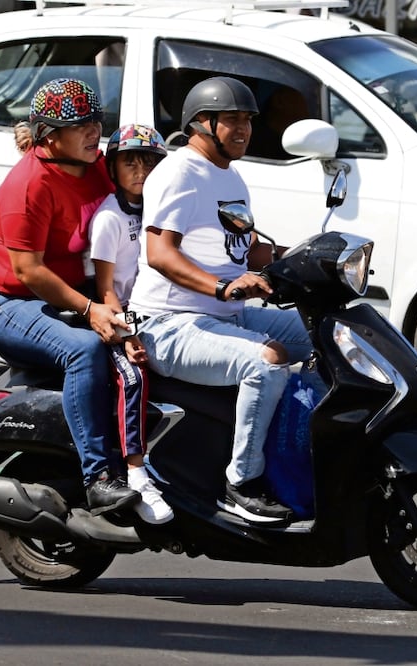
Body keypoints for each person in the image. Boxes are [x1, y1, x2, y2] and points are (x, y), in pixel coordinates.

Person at [130, 76, 313, 524]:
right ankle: (241, 482)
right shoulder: (179, 173)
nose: (243, 129)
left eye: (247, 120)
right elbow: (159, 253)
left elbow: (244, 250)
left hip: (224, 314)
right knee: (267, 361)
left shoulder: (230, 176)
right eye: (231, 120)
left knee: (321, 334)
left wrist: (307, 259)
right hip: (168, 324)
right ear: (201, 123)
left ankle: (298, 449)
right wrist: (220, 287)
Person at [0, 78, 140, 516]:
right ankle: (100, 477)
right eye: (80, 125)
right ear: (50, 135)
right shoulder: (27, 185)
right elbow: (28, 271)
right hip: (8, 302)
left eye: (96, 121)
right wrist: (89, 309)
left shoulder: (98, 166)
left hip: (75, 294)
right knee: (85, 351)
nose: (93, 132)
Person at [85, 123, 173, 524]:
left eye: (149, 163)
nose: (140, 172)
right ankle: (137, 471)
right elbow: (106, 289)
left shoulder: (160, 210)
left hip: (158, 312)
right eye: (130, 163)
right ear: (113, 169)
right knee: (133, 378)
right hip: (117, 319)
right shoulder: (110, 218)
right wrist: (127, 335)